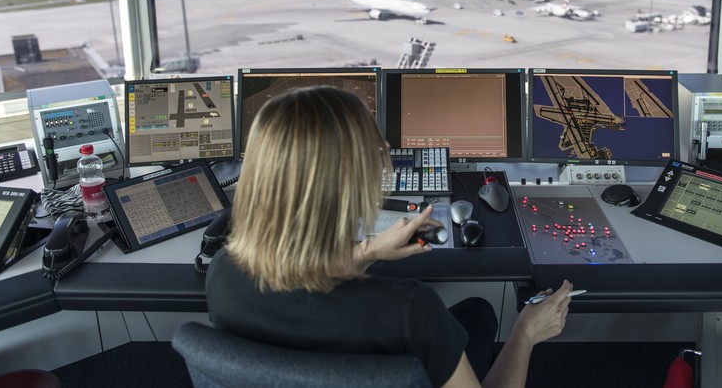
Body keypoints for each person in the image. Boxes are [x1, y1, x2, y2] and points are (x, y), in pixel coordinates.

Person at [206, 86, 572, 388]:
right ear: (358, 187)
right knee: (479, 313)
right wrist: (525, 332)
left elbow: (299, 285)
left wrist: (365, 252)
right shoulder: (410, 311)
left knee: (474, 316)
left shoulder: (222, 274)